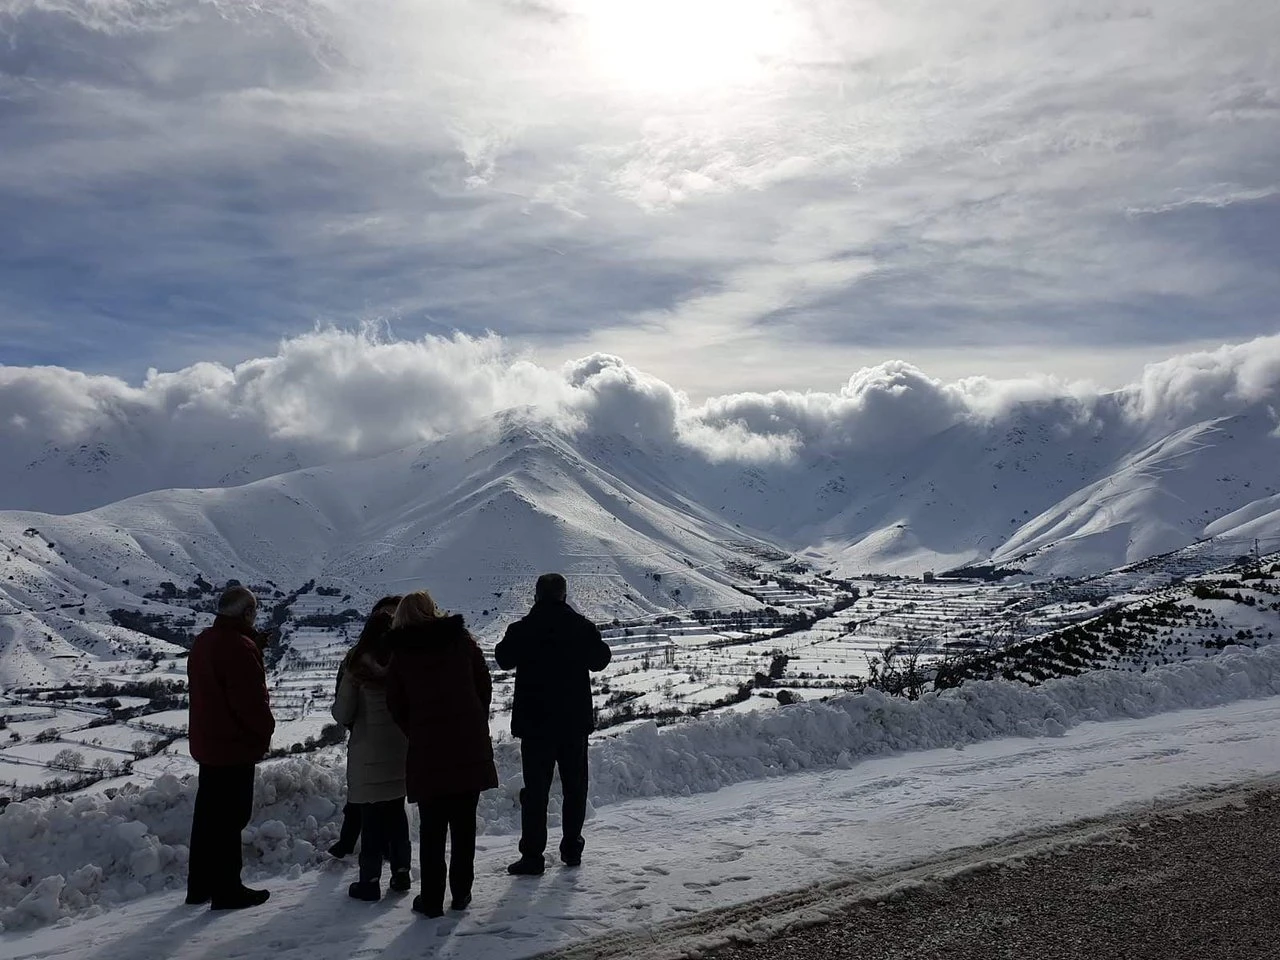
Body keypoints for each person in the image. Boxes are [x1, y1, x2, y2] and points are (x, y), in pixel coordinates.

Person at [385, 591, 498, 918]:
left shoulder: (401, 653)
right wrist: (475, 719)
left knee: (432, 830)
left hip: (429, 752)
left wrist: (417, 729)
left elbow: (396, 704)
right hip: (468, 746)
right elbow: (484, 684)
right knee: (465, 827)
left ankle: (432, 900)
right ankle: (461, 893)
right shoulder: (461, 640)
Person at [495, 573, 611, 876]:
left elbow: (503, 659)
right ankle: (571, 848)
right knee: (575, 787)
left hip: (534, 725)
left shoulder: (522, 629)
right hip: (573, 723)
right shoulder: (581, 627)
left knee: (535, 790)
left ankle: (532, 855)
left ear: (536, 596)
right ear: (563, 595)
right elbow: (600, 660)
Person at [186, 585, 276, 910]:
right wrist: (267, 729)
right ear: (247, 613)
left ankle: (199, 886)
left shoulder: (204, 641)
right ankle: (227, 889)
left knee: (208, 817)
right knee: (231, 818)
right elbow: (249, 701)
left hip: (208, 744)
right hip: (233, 747)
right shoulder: (239, 647)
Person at [332, 599, 413, 901]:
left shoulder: (356, 663)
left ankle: (369, 880)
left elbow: (343, 713)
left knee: (371, 819)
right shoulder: (403, 660)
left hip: (368, 752)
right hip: (400, 749)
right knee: (396, 811)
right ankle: (402, 873)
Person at [327, 595, 401, 861]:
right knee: (376, 802)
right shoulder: (401, 657)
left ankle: (371, 864)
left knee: (375, 801)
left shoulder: (358, 657)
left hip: (374, 740)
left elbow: (343, 706)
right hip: (383, 740)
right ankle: (388, 858)